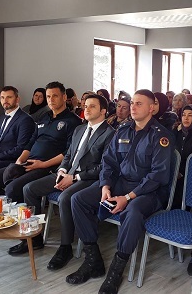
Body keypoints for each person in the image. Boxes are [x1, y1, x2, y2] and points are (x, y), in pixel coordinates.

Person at [67, 89, 175, 294]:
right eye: (132, 103)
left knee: (132, 212)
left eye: (139, 104)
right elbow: (108, 162)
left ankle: (116, 270)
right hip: (119, 184)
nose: (133, 107)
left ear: (151, 108)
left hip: (148, 192)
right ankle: (93, 261)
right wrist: (106, 186)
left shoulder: (161, 136)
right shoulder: (123, 130)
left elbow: (158, 176)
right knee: (78, 199)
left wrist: (127, 197)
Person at [19, 94, 115, 266]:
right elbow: (69, 155)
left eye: (92, 106)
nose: (86, 109)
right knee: (29, 189)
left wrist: (75, 177)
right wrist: (63, 170)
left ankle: (65, 247)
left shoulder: (109, 134)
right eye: (85, 106)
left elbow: (104, 167)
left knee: (65, 198)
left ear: (103, 111)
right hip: (67, 173)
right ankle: (35, 237)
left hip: (87, 178)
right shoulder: (80, 129)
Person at [0, 82, 81, 203]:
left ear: (64, 97)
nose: (51, 99)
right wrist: (20, 160)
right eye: (48, 96)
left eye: (55, 96)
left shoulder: (74, 121)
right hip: (29, 162)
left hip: (48, 167)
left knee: (12, 189)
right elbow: (31, 141)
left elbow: (69, 151)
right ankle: (3, 210)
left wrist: (43, 164)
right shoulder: (44, 117)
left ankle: (23, 217)